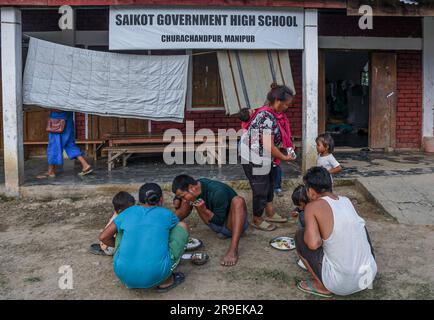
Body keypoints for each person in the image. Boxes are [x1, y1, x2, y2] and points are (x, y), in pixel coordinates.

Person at [295, 167, 377, 298]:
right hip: (369, 276)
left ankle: (322, 286)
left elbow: (313, 244)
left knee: (300, 236)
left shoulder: (312, 207)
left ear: (310, 191)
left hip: (341, 284)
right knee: (360, 226)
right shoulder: (346, 200)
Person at [99, 183, 190, 292]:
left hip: (122, 274)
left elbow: (103, 237)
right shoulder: (167, 214)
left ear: (139, 200)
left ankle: (132, 274)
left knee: (121, 230)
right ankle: (166, 281)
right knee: (182, 226)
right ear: (161, 200)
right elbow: (174, 227)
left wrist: (122, 246)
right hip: (155, 274)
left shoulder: (127, 212)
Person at [239, 83, 295, 231]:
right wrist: (284, 157)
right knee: (260, 188)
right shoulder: (266, 116)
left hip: (265, 156)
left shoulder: (275, 114)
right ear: (277, 101)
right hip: (253, 156)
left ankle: (269, 212)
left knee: (270, 183)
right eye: (286, 105)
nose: (287, 107)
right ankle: (257, 219)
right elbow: (268, 145)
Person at [172, 175, 248, 267]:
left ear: (192, 188)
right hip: (214, 224)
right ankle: (166, 227)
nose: (183, 199)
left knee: (238, 201)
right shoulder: (196, 185)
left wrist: (204, 210)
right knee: (185, 201)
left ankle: (233, 250)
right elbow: (181, 194)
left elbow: (219, 221)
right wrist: (177, 199)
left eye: (182, 196)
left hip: (231, 226)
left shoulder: (218, 192)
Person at [37, 110, 93, 178]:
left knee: (54, 146)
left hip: (57, 120)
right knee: (69, 144)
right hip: (68, 119)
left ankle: (50, 171)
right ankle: (85, 165)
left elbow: (54, 105)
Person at [89, 191, 135, 256]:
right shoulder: (117, 218)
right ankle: (109, 251)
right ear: (120, 211)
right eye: (130, 209)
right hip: (109, 247)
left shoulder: (124, 214)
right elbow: (104, 237)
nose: (134, 210)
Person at [290, 185, 309, 270]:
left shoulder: (313, 208)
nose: (299, 207)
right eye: (297, 205)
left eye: (300, 205)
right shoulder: (302, 206)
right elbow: (299, 208)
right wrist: (296, 211)